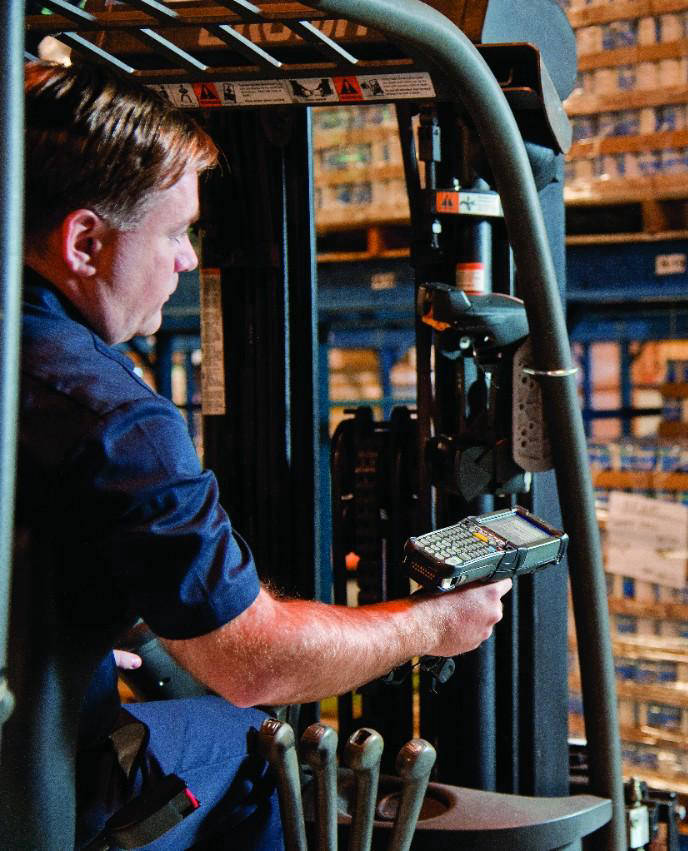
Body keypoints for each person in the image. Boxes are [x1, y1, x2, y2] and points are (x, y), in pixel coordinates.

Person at [5, 60, 512, 848]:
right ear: (85, 241)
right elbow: (256, 662)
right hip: (38, 790)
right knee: (260, 742)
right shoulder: (114, 421)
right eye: (174, 232)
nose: (185, 259)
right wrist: (429, 624)